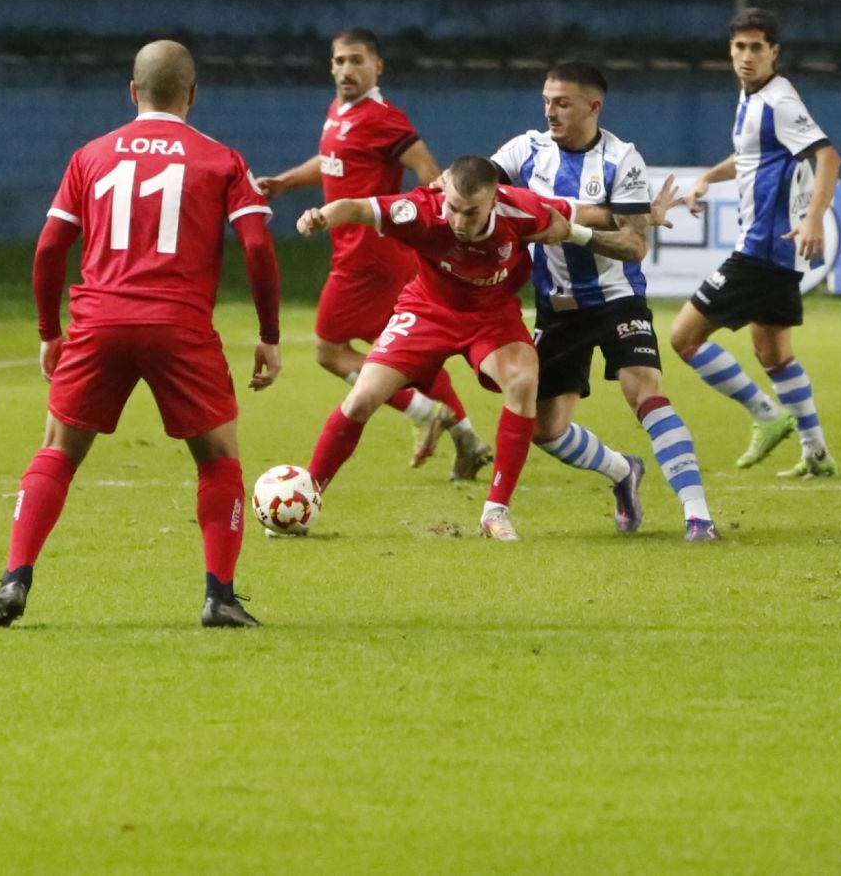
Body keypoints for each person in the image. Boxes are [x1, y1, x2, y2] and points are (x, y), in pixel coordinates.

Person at [0, 40, 283, 630]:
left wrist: (49, 330)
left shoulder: (90, 155)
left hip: (99, 322)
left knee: (59, 451)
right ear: (193, 96)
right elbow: (257, 246)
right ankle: (219, 596)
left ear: (132, 91)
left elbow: (48, 248)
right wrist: (269, 333)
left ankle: (15, 580)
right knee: (218, 458)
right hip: (179, 327)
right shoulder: (221, 159)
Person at [489, 62, 721, 541]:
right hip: (557, 310)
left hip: (618, 301)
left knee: (646, 393)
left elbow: (635, 245)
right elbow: (475, 185)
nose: (550, 111)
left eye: (563, 103)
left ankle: (698, 515)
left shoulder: (622, 160)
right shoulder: (525, 150)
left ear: (593, 106)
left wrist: (570, 230)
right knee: (547, 430)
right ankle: (622, 471)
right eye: (547, 100)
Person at [296, 155, 582, 542]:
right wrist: (322, 217)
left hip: (491, 316)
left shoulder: (523, 208)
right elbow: (355, 207)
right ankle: (303, 502)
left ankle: (495, 512)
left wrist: (633, 219)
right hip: (427, 310)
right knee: (363, 396)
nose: (460, 223)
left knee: (522, 380)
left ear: (495, 199)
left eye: (471, 212)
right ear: (443, 190)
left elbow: (577, 216)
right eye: (453, 209)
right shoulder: (418, 210)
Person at [258, 28, 491, 480]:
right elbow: (331, 162)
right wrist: (287, 181)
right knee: (411, 351)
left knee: (328, 349)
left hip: (367, 259)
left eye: (357, 60)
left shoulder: (384, 118)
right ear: (330, 65)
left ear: (377, 66)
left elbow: (429, 173)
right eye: (340, 60)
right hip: (377, 259)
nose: (347, 69)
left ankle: (427, 413)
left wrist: (438, 229)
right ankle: (467, 439)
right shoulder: (340, 112)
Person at [668, 8, 841, 479]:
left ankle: (767, 417)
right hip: (775, 252)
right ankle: (817, 453)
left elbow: (828, 157)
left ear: (774, 53)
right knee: (774, 353)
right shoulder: (753, 98)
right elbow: (749, 158)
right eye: (739, 47)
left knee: (683, 338)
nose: (746, 56)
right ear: (730, 50)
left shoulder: (778, 102)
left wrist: (814, 218)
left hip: (762, 250)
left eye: (756, 48)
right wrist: (708, 176)